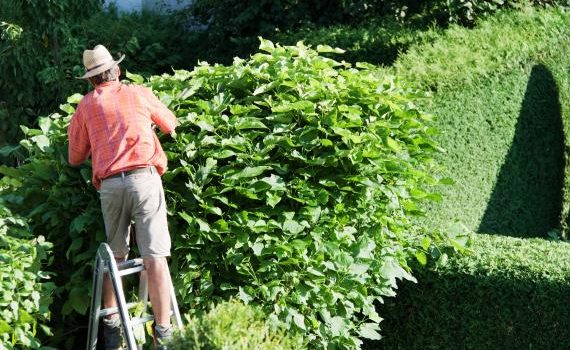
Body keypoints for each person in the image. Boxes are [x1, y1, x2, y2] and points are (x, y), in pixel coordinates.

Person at [68, 44, 177, 350]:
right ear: (117, 70)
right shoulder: (138, 93)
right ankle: (164, 333)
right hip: (145, 179)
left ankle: (111, 330)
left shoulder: (86, 106)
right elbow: (171, 124)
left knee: (115, 257)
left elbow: (74, 157)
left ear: (91, 79)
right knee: (156, 257)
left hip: (111, 187)